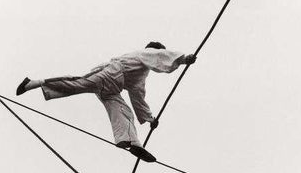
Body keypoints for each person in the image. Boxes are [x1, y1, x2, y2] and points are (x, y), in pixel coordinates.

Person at [16, 42, 196, 162]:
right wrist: (184, 59)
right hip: (111, 73)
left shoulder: (140, 74)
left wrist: (149, 118)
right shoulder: (145, 53)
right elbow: (161, 56)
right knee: (77, 83)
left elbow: (137, 96)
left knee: (123, 110)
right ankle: (33, 83)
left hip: (111, 88)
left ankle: (133, 143)